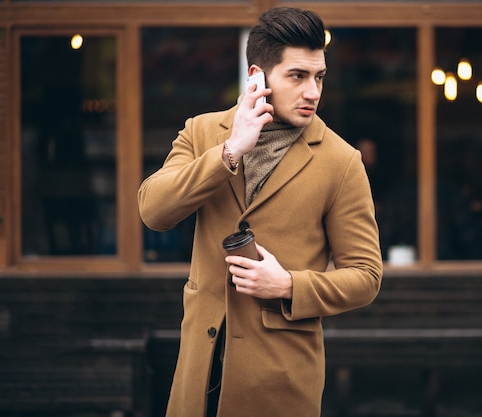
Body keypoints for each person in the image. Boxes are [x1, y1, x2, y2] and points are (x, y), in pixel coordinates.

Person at [137, 7, 383, 417]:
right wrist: (230, 151)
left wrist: (289, 285)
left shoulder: (342, 161)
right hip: (199, 376)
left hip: (281, 383)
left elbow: (366, 276)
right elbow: (153, 211)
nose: (312, 92)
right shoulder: (202, 133)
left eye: (319, 76)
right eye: (297, 76)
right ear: (257, 75)